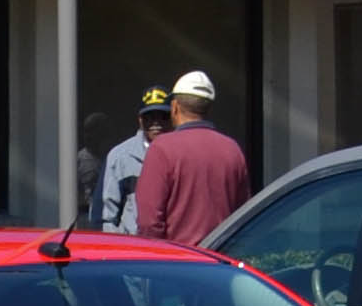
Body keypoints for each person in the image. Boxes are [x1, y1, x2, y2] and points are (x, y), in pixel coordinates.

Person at [131, 69, 254, 243]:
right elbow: (243, 215)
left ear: (174, 107)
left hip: (178, 263)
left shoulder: (162, 148)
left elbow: (149, 222)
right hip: (221, 261)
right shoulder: (232, 149)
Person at [94, 87, 170, 232]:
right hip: (133, 248)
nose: (156, 123)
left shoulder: (180, 155)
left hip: (173, 249)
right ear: (140, 120)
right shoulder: (120, 156)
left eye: (162, 116)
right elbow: (104, 216)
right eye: (149, 117)